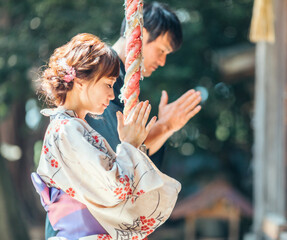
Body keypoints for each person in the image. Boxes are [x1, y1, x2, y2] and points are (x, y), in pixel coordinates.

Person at [31, 33, 181, 240]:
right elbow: (116, 189)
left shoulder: (70, 127)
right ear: (82, 81)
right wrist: (129, 145)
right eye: (108, 85)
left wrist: (133, 146)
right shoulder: (66, 129)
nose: (112, 95)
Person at [86, 1, 202, 160]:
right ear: (141, 33)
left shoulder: (125, 80)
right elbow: (118, 150)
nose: (162, 62)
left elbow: (139, 162)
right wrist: (164, 126)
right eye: (162, 50)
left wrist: (167, 127)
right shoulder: (99, 74)